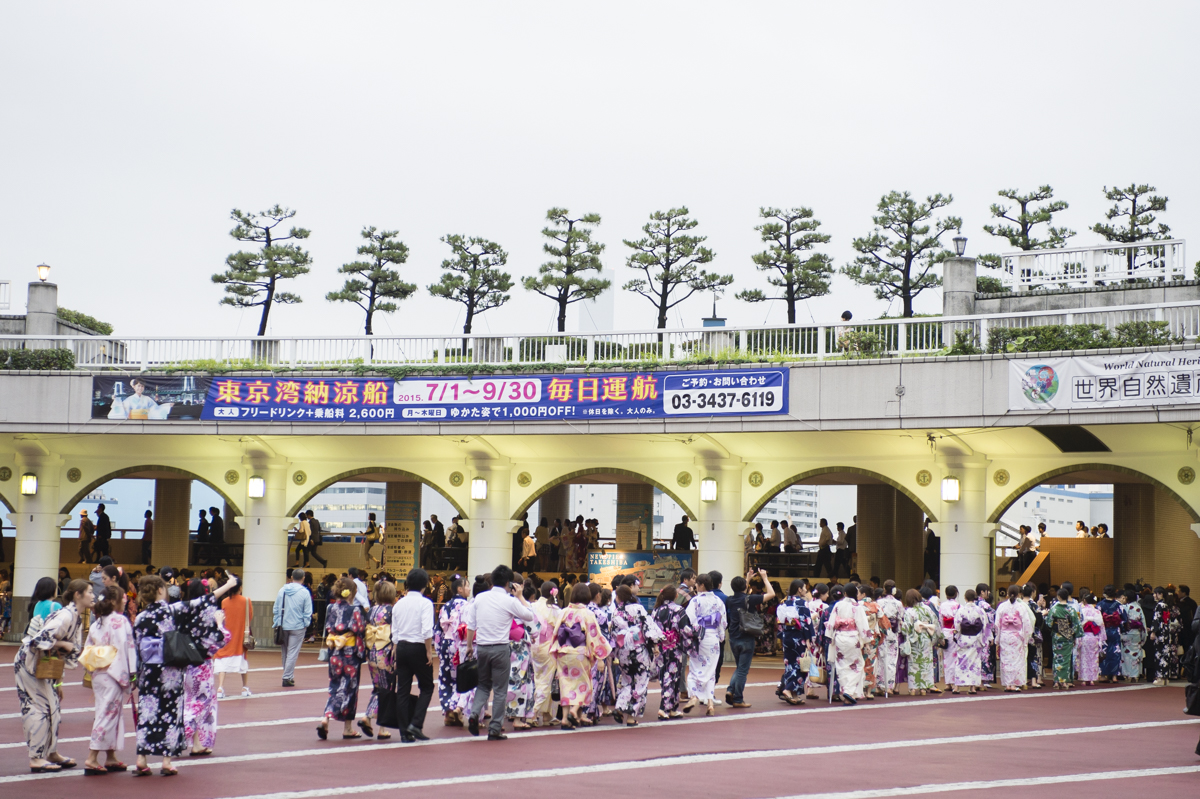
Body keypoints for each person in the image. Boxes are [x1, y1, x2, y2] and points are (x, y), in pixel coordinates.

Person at [132, 572, 238, 775]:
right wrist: (229, 585)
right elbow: (202, 601)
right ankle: (166, 761)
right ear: (161, 590)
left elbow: (136, 648)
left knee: (147, 713)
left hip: (148, 671)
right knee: (171, 713)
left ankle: (141, 758)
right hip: (170, 670)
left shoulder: (140, 617)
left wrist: (136, 675)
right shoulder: (171, 611)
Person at [17, 579, 91, 773]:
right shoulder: (66, 616)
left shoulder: (74, 616)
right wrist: (62, 645)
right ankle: (36, 757)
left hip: (43, 664)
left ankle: (50, 752)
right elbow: (36, 640)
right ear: (78, 595)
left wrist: (59, 682)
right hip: (30, 663)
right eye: (90, 592)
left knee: (54, 709)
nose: (93, 596)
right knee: (39, 709)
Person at [465, 564, 535, 739]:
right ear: (509, 583)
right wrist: (519, 597)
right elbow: (529, 616)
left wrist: (468, 646)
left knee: (482, 685)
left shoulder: (479, 599)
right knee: (500, 690)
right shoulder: (509, 600)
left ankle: (474, 713)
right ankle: (495, 728)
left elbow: (471, 625)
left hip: (482, 647)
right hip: (501, 648)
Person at [82, 585, 137, 775]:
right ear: (113, 601)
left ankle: (111, 756)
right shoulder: (119, 621)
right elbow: (126, 646)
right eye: (122, 598)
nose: (125, 600)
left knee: (106, 712)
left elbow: (88, 647)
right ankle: (92, 757)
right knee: (107, 714)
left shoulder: (98, 622)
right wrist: (132, 672)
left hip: (99, 673)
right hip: (114, 672)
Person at [551, 581, 611, 729]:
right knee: (583, 685)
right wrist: (601, 654)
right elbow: (594, 636)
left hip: (563, 652)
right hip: (579, 653)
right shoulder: (587, 613)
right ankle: (574, 710)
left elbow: (556, 632)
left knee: (566, 685)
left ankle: (565, 718)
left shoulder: (563, 611)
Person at [183, 579, 232, 757]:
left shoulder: (184, 611)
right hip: (203, 664)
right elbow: (221, 639)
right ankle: (184, 733)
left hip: (187, 664)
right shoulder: (208, 614)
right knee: (202, 703)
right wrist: (220, 624)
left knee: (190, 700)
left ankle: (196, 743)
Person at [317, 576, 367, 740]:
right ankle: (347, 728)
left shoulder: (331, 608)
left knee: (335, 686)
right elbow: (360, 628)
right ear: (352, 593)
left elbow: (328, 626)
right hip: (350, 654)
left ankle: (326, 717)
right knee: (350, 689)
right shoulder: (355, 610)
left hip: (335, 654)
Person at [391, 568, 436, 742]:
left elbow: (394, 631)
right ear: (425, 584)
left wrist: (395, 650)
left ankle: (404, 732)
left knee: (402, 689)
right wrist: (428, 650)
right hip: (418, 646)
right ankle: (416, 724)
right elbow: (426, 630)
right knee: (427, 687)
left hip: (401, 646)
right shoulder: (425, 603)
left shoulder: (399, 603)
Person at [723, 569, 774, 709]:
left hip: (733, 638)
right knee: (742, 671)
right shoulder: (750, 599)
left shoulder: (730, 600)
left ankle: (731, 690)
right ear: (746, 587)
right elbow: (771, 594)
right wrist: (764, 577)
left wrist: (747, 578)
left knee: (739, 667)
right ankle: (738, 699)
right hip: (747, 638)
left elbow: (741, 591)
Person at [610, 583, 660, 727]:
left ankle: (620, 707)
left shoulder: (616, 613)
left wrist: (615, 652)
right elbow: (648, 627)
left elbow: (614, 634)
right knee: (640, 682)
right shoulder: (639, 609)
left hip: (624, 651)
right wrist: (655, 644)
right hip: (639, 651)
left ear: (618, 598)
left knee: (626, 680)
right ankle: (631, 716)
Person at [682, 573, 726, 716]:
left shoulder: (696, 601)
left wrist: (690, 634)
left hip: (699, 637)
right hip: (713, 637)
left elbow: (689, 619)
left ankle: (694, 696)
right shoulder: (718, 601)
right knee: (711, 670)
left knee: (695, 669)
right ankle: (710, 703)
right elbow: (723, 622)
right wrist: (720, 635)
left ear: (700, 585)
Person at [359, 579, 396, 740]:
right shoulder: (392, 611)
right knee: (387, 689)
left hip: (372, 651)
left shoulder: (371, 610)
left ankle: (373, 719)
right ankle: (378, 725)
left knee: (377, 686)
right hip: (386, 651)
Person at [825, 582, 869, 705]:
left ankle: (845, 691)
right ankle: (849, 691)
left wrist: (830, 637)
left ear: (845, 593)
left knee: (841, 665)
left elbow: (831, 623)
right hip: (852, 637)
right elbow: (862, 625)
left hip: (839, 637)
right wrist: (866, 641)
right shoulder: (857, 607)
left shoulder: (838, 605)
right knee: (858, 664)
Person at [436, 576, 471, 726]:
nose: (469, 589)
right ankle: (457, 707)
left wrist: (438, 649)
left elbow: (438, 630)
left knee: (445, 677)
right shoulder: (468, 606)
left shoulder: (446, 606)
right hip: (460, 644)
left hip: (445, 643)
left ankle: (447, 712)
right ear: (460, 589)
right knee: (461, 676)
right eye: (467, 586)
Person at [505, 583, 541, 730]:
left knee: (503, 681)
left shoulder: (500, 601)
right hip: (518, 644)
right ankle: (518, 717)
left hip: (500, 642)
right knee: (519, 680)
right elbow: (534, 627)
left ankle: (503, 715)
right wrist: (520, 597)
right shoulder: (518, 603)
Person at [776, 579, 815, 705]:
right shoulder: (802, 603)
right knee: (802, 665)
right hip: (799, 637)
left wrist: (782, 637)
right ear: (799, 589)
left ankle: (795, 694)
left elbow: (780, 622)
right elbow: (806, 622)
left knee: (790, 664)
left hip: (787, 636)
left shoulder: (784, 603)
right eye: (804, 588)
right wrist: (808, 639)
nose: (805, 590)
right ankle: (788, 689)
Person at [529, 581, 562, 726]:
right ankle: (534, 713)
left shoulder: (533, 606)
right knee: (546, 681)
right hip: (548, 647)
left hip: (533, 646)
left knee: (537, 679)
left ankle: (547, 714)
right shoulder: (554, 609)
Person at [274, 569, 314, 687]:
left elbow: (276, 608)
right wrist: (306, 624)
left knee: (285, 652)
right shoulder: (305, 592)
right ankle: (287, 677)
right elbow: (308, 611)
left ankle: (289, 675)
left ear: (291, 577)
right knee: (293, 652)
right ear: (303, 578)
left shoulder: (282, 590)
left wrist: (277, 621)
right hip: (298, 626)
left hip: (283, 625)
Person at [653, 584, 687, 719]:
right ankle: (663, 708)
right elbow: (685, 629)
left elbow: (652, 629)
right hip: (674, 647)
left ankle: (673, 708)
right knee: (672, 676)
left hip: (661, 647)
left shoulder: (656, 610)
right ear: (676, 596)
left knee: (666, 676)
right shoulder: (678, 610)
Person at [214, 578, 253, 698]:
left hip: (227, 635)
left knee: (222, 660)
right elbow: (249, 617)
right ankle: (244, 687)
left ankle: (220, 687)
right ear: (240, 588)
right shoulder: (247, 601)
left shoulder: (224, 602)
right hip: (241, 635)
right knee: (243, 661)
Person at [902, 588, 941, 695]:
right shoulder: (927, 609)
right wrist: (936, 638)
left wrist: (905, 635)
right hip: (926, 638)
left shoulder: (909, 611)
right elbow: (935, 623)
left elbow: (907, 627)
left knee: (914, 663)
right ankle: (923, 688)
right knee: (926, 663)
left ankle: (913, 688)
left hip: (914, 638)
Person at [950, 589, 988, 695]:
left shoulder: (961, 610)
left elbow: (957, 625)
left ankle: (957, 687)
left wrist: (957, 636)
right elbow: (984, 625)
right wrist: (983, 638)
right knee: (975, 663)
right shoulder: (980, 610)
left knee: (960, 661)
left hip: (964, 638)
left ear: (965, 598)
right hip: (976, 639)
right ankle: (972, 687)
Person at [995, 586, 1032, 692]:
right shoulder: (1021, 607)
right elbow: (1026, 623)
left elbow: (997, 624)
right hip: (1017, 636)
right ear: (1018, 594)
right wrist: (1026, 637)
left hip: (1005, 636)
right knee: (1017, 660)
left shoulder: (1002, 606)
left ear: (1007, 593)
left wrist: (997, 639)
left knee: (1006, 660)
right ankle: (1015, 684)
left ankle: (1007, 684)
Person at [1046, 587, 1082, 689]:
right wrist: (1070, 633)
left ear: (1058, 596)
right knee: (1066, 659)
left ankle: (1056, 681)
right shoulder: (1071, 610)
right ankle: (1065, 681)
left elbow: (1049, 623)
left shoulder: (1054, 609)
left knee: (1057, 658)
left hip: (1057, 636)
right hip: (1068, 637)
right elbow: (1076, 625)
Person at [1150, 586, 1181, 685]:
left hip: (1160, 632)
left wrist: (1153, 631)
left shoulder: (1159, 605)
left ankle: (1160, 677)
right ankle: (1165, 677)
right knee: (1166, 654)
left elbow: (1157, 619)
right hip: (1167, 631)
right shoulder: (1166, 605)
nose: (1154, 595)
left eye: (1156, 593)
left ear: (1160, 594)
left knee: (1159, 654)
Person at [1096, 585, 1126, 683]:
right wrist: (1121, 627)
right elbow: (1124, 619)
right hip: (1115, 630)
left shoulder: (1100, 605)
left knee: (1104, 651)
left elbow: (1096, 619)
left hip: (1103, 630)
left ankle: (1104, 675)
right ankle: (1114, 676)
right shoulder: (1119, 605)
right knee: (1115, 652)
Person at [1119, 588, 1147, 681]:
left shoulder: (1125, 608)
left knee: (1126, 655)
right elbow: (1143, 623)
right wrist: (1143, 637)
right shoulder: (1139, 608)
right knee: (1136, 654)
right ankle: (1135, 675)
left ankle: (1127, 674)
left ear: (1126, 597)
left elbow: (1122, 621)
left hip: (1127, 633)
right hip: (1136, 633)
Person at [1077, 593, 1104, 685]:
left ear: (1084, 601)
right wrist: (1102, 638)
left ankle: (1084, 679)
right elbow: (1101, 625)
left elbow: (1078, 624)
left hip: (1084, 636)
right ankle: (1092, 679)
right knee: (1093, 657)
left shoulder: (1082, 611)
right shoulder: (1097, 612)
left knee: (1083, 657)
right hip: (1094, 636)